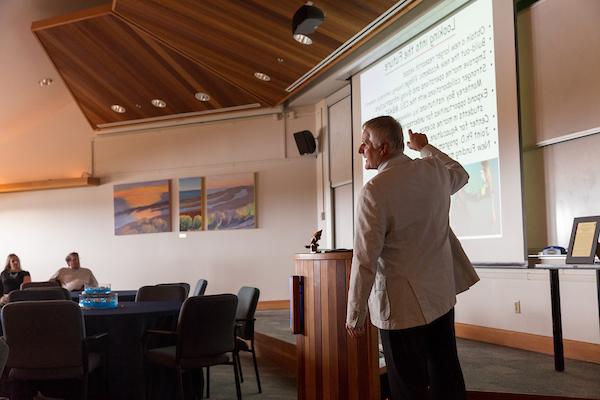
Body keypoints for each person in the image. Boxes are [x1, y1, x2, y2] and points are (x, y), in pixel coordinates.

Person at [346, 116, 479, 400]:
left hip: (400, 306)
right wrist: (425, 147)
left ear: (382, 149)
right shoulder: (434, 171)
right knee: (446, 375)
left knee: (408, 386)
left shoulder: (374, 190)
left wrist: (355, 313)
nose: (360, 150)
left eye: (364, 143)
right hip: (440, 296)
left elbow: (365, 259)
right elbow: (461, 173)